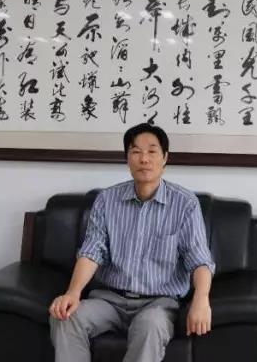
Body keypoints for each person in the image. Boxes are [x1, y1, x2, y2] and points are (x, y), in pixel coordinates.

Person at [49, 122, 215, 362]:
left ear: (165, 158)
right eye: (136, 151)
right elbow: (92, 251)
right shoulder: (107, 200)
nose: (144, 159)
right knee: (66, 317)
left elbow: (199, 259)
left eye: (152, 151)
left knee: (150, 325)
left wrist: (201, 300)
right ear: (127, 158)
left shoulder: (185, 204)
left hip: (158, 304)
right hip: (108, 299)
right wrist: (73, 293)